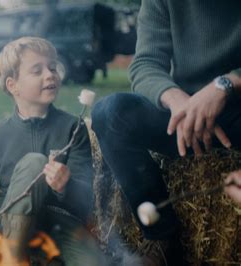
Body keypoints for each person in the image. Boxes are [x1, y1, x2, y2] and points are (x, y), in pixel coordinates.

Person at [91, 0, 241, 264]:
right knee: (110, 112)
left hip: (237, 111)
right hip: (182, 119)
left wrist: (226, 85)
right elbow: (145, 64)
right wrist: (179, 103)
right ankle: (162, 236)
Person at [0, 36, 106, 265]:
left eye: (52, 67)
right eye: (37, 71)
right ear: (12, 85)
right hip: (12, 222)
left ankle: (44, 252)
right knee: (36, 162)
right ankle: (13, 257)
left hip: (60, 222)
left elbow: (85, 197)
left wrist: (67, 185)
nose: (50, 74)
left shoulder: (73, 128)